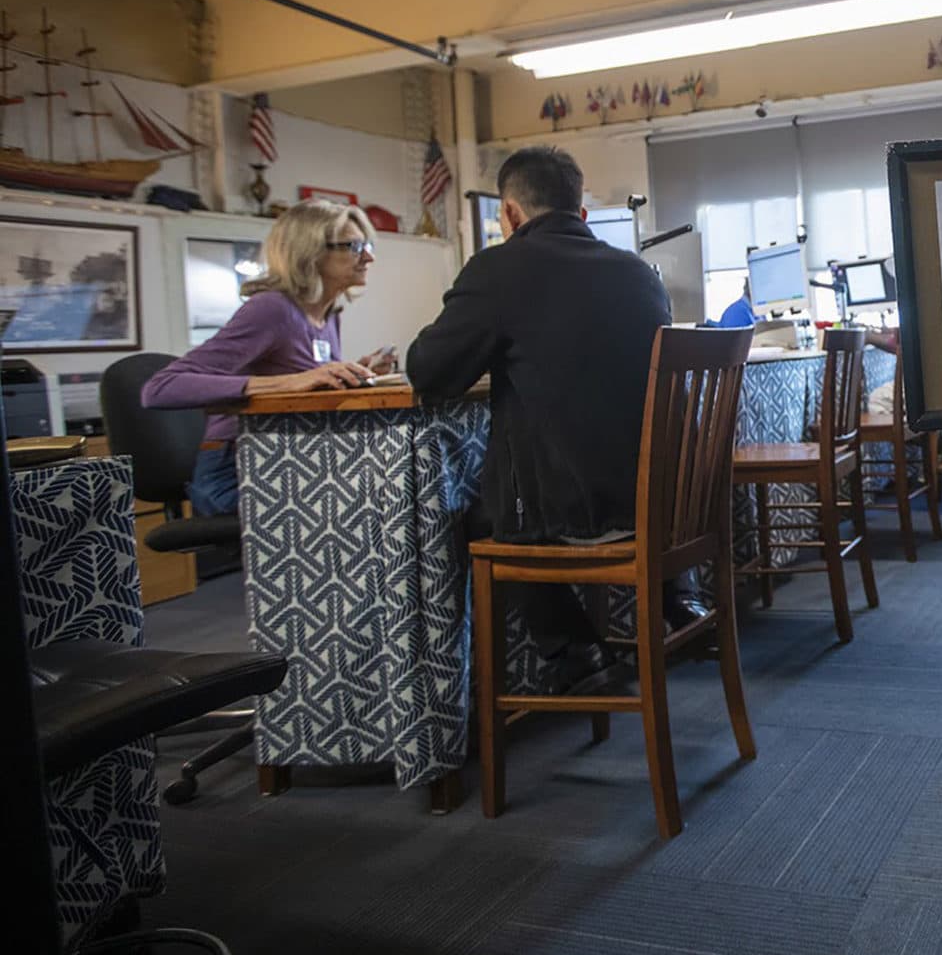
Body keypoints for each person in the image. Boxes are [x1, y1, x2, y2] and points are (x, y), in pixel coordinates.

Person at [408, 145, 683, 680]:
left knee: (477, 514)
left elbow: (431, 373)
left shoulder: (498, 270)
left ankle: (572, 649)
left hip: (571, 515)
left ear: (507, 215)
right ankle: (676, 595)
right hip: (664, 506)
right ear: (582, 215)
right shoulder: (640, 273)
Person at [142, 200, 393, 516]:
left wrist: (353, 371)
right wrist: (289, 382)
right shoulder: (272, 309)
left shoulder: (329, 316)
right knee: (367, 507)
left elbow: (306, 384)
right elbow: (160, 388)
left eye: (366, 245)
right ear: (310, 251)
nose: (368, 257)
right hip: (235, 473)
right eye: (353, 246)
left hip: (290, 462)